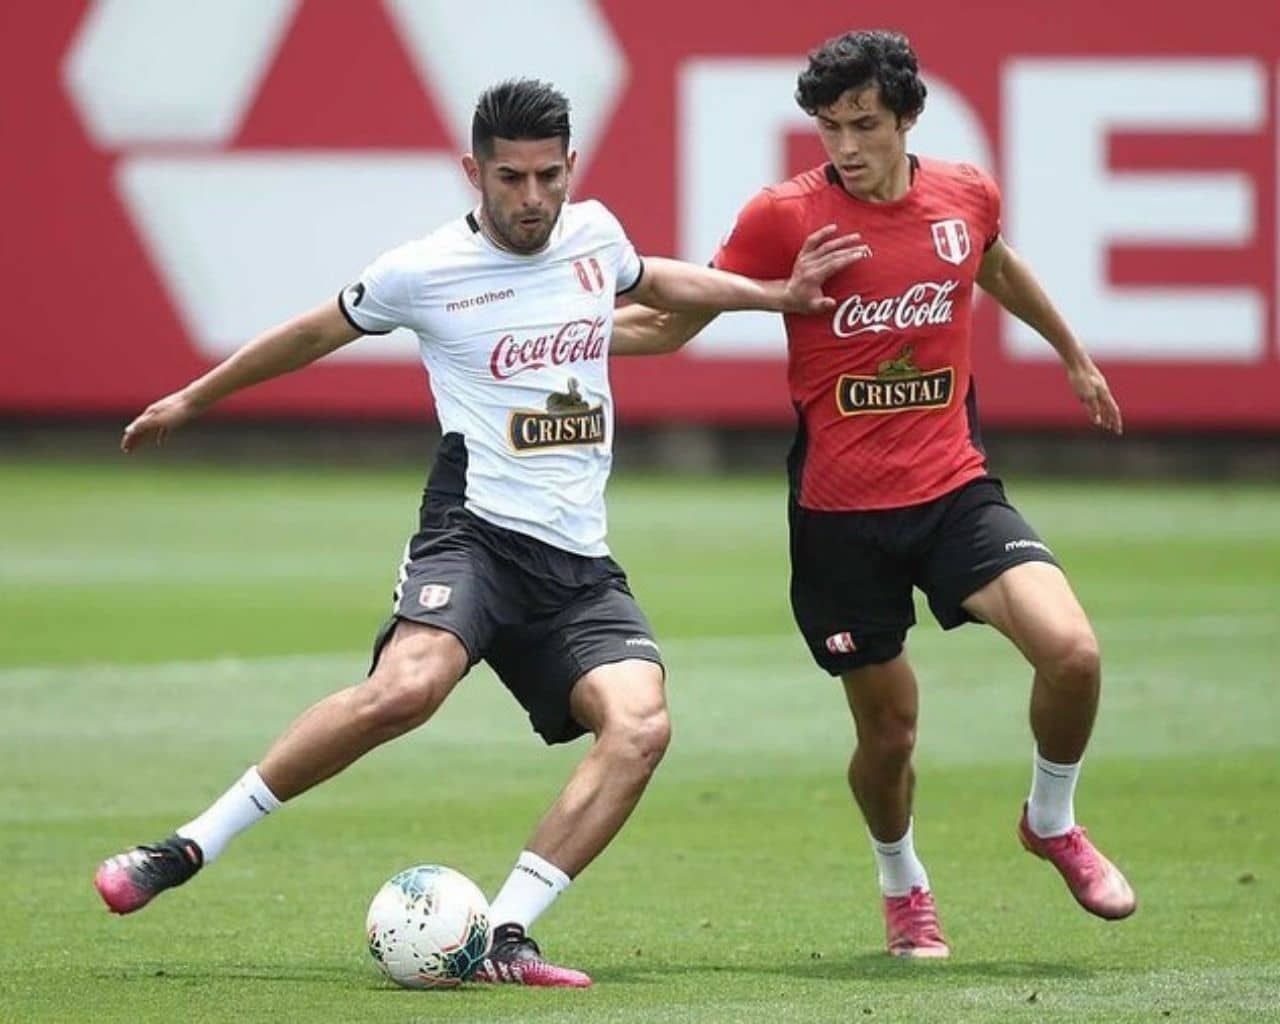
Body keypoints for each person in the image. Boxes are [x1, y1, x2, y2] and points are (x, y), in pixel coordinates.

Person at [93, 78, 864, 986]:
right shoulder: (422, 270)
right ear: (474, 173)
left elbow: (656, 281)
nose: (533, 198)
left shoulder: (594, 235)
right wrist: (192, 398)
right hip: (475, 536)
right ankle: (188, 845)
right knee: (406, 690)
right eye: (510, 179)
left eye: (548, 176)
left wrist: (778, 296)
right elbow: (310, 334)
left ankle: (504, 933)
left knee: (641, 726)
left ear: (570, 165)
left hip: (577, 563)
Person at [612, 31, 1135, 959]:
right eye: (830, 127)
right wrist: (548, 333)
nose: (846, 146)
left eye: (865, 124)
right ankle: (903, 882)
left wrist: (1074, 355)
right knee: (890, 739)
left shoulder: (965, 194)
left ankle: (1051, 820)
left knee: (1075, 655)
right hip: (841, 522)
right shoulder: (783, 216)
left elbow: (995, 264)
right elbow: (671, 323)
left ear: (908, 118)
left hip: (954, 491)